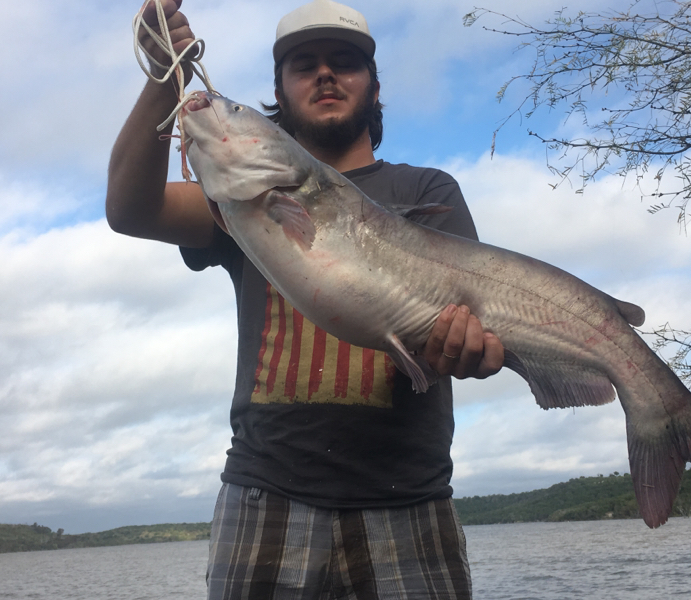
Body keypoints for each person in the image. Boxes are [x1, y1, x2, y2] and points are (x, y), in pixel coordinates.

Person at [106, 0, 505, 597]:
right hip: (264, 494)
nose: (325, 74)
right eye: (304, 64)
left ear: (373, 87)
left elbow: (473, 325)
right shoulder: (236, 201)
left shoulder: (427, 191)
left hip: (409, 499)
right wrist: (165, 80)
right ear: (280, 92)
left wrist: (472, 350)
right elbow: (129, 209)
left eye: (344, 62)